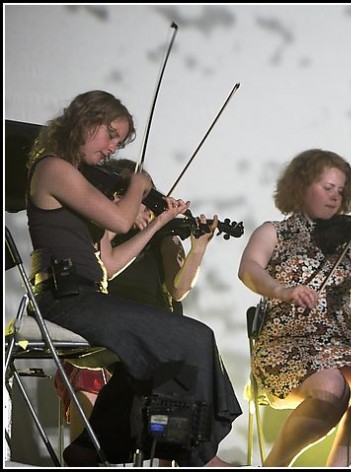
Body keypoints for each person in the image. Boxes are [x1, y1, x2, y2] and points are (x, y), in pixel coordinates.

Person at [26, 90, 241, 466]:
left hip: (87, 296)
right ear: (84, 121)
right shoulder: (54, 168)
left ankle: (90, 452)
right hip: (65, 300)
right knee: (194, 336)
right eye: (110, 134)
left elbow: (107, 266)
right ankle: (200, 458)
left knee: (155, 362)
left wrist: (158, 221)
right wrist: (138, 184)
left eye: (120, 141)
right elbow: (121, 219)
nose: (112, 147)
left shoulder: (79, 183)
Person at [238, 148, 351, 466]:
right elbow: (249, 270)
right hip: (286, 347)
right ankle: (275, 464)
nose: (335, 197)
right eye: (327, 188)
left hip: (339, 346)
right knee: (332, 386)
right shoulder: (274, 232)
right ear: (302, 186)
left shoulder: (349, 241)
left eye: (341, 190)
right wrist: (283, 290)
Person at [53, 157, 220, 450]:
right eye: (136, 197)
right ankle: (87, 452)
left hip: (152, 326)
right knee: (92, 374)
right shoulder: (97, 227)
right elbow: (105, 268)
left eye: (147, 198)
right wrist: (127, 221)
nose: (144, 205)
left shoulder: (164, 233)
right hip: (106, 327)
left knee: (174, 370)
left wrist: (198, 249)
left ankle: (165, 455)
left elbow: (178, 289)